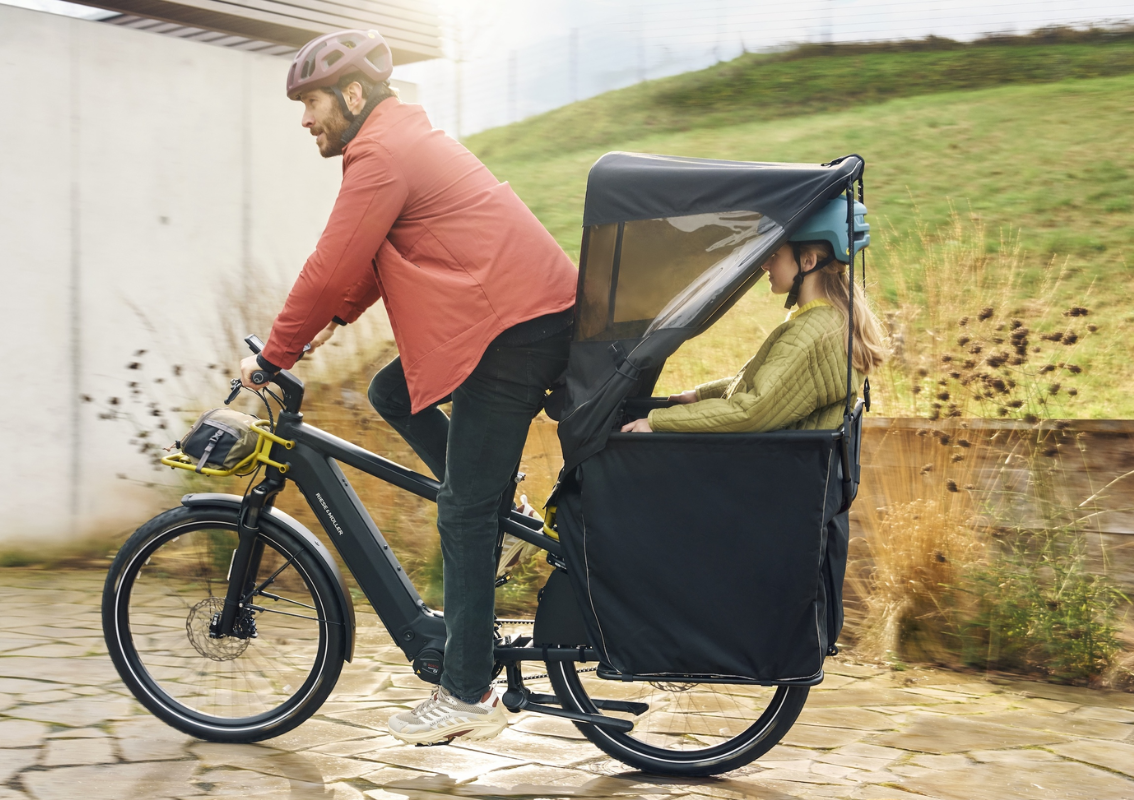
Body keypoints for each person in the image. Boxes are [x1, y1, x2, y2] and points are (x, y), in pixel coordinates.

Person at [240, 29, 577, 745]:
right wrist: (332, 316)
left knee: (461, 513)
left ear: (354, 94)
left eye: (312, 102)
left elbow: (331, 263)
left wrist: (275, 356)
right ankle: (506, 512)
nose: (306, 119)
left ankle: (466, 692)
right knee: (394, 393)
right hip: (513, 320)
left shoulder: (381, 151)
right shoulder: (398, 139)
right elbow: (359, 264)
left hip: (512, 332)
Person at [621, 197, 885, 434]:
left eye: (774, 254)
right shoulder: (828, 321)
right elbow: (778, 387)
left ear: (808, 262)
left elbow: (750, 411)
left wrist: (658, 422)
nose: (764, 264)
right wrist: (703, 395)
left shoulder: (810, 337)